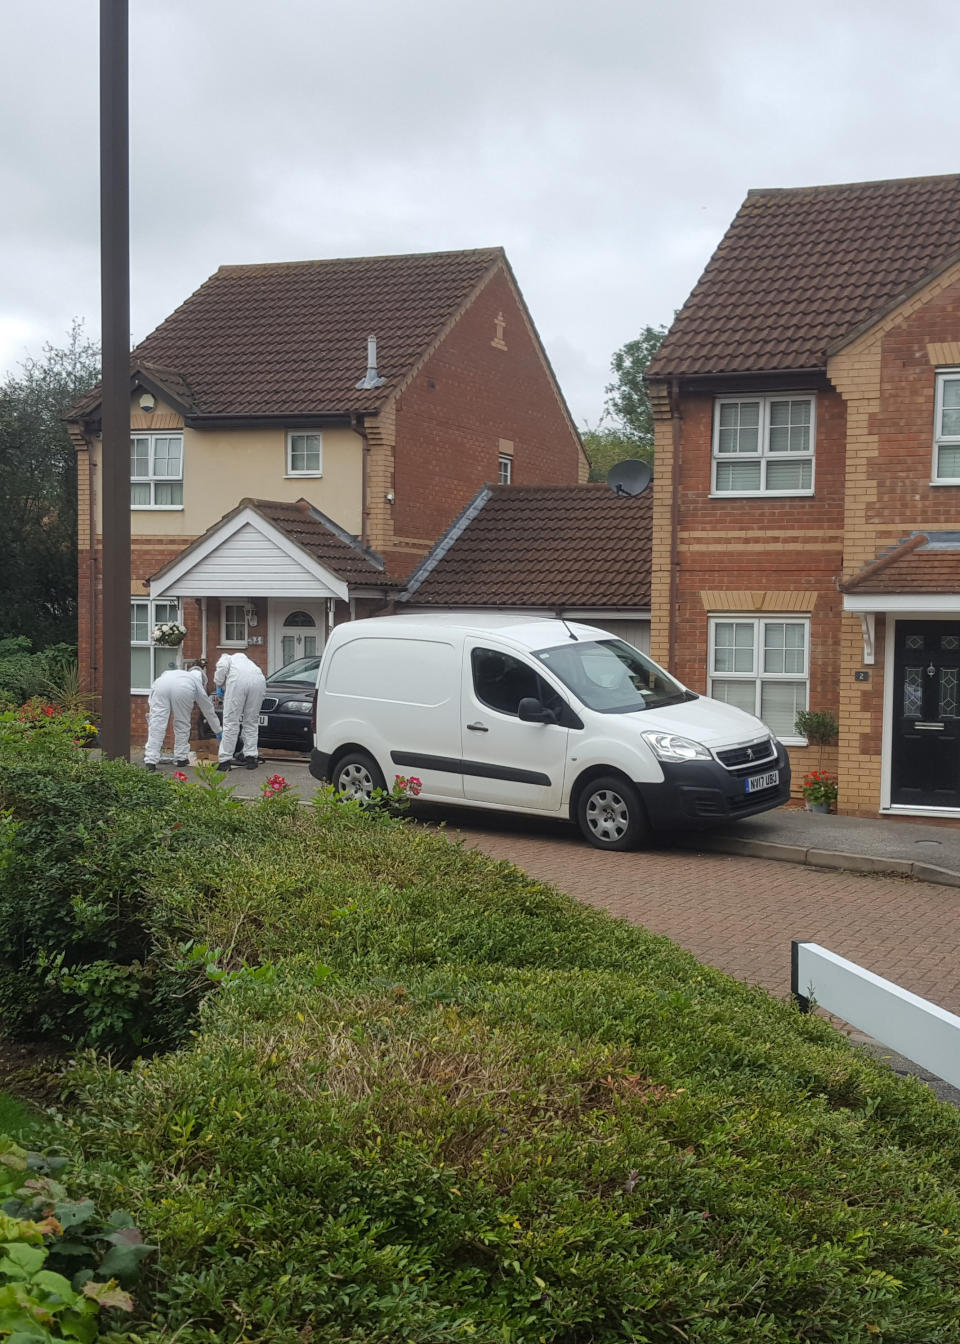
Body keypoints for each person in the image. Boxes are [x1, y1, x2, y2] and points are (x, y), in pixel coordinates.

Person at [144, 662, 222, 771]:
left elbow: (153, 693)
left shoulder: (172, 673)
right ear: (201, 680)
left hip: (161, 685)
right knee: (182, 724)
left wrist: (152, 713)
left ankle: (150, 761)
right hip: (183, 689)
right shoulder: (195, 682)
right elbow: (208, 709)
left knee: (157, 726)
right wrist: (218, 730)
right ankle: (181, 758)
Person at [213, 650, 267, 771]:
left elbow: (221, 668)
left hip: (238, 682)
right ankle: (251, 757)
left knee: (231, 721)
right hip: (259, 681)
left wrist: (218, 683)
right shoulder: (250, 664)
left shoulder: (226, 658)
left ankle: (225, 760)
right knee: (251, 721)